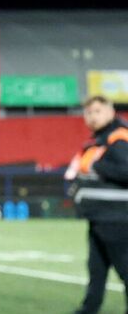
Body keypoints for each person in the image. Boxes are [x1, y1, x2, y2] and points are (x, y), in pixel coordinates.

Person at [66, 95, 128, 314]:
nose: (92, 116)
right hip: (99, 217)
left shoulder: (118, 138)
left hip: (117, 219)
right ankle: (88, 309)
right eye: (89, 112)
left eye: (98, 111)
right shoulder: (99, 139)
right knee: (96, 270)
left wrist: (98, 166)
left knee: (125, 269)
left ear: (111, 112)